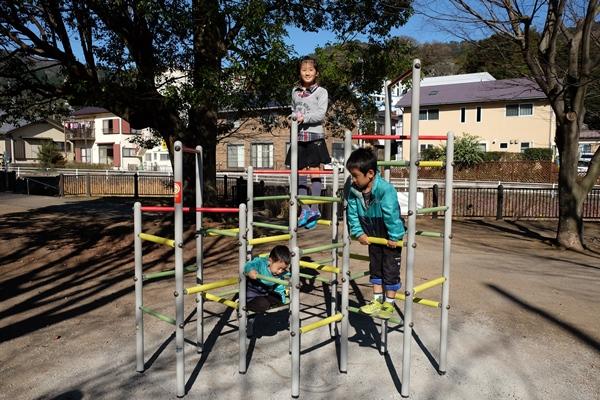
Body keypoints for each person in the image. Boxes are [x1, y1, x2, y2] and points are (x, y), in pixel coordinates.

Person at [345, 147, 405, 319]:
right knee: (375, 267)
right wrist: (359, 233)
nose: (353, 180)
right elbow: (352, 214)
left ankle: (389, 304)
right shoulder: (354, 192)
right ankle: (377, 300)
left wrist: (394, 236)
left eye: (356, 176)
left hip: (388, 234)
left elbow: (392, 214)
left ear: (370, 173)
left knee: (390, 268)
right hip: (371, 234)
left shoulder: (385, 190)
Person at [285, 56, 330, 230]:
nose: (307, 73)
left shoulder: (321, 92)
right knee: (300, 171)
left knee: (314, 170)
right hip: (298, 135)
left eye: (310, 70)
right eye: (304, 70)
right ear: (299, 72)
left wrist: (304, 118)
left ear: (316, 72)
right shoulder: (295, 91)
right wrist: (292, 118)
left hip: (315, 135)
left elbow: (320, 115)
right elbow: (293, 110)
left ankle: (315, 208)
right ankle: (304, 210)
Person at [244, 245, 291, 313]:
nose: (280, 271)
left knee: (278, 299)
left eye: (283, 269)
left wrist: (283, 298)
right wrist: (251, 271)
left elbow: (282, 282)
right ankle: (243, 303)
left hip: (265, 294)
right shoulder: (261, 263)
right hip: (251, 296)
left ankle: (268, 305)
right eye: (279, 268)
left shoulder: (279, 272)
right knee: (263, 305)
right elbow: (249, 265)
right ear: (270, 261)